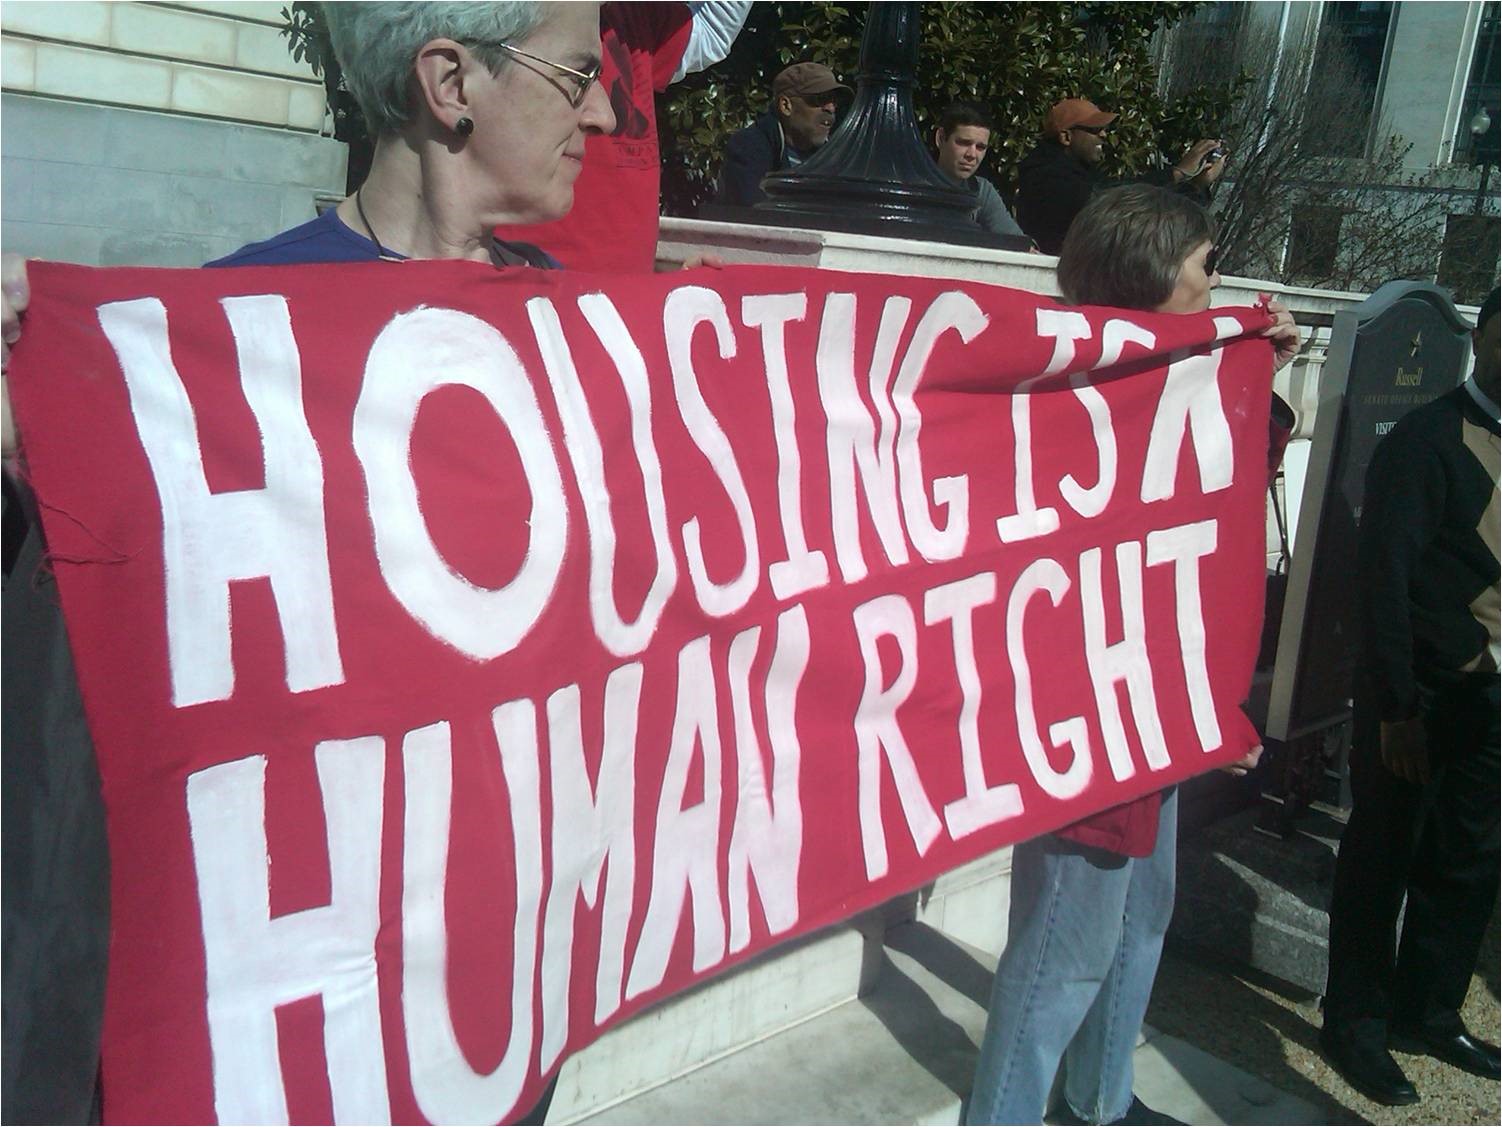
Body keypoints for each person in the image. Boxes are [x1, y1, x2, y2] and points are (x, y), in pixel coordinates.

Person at [0, 3, 614, 1120]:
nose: (606, 113)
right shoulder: (225, 337)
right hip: (312, 997)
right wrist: (33, 411)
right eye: (578, 75)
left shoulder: (591, 334)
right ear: (450, 84)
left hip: (502, 986)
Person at [965, 184, 1299, 1127]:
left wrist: (1253, 381)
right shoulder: (1074, 386)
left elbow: (1218, 498)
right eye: (1207, 263)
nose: (1218, 279)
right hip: (1088, 714)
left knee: (1140, 921)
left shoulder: (1180, 373)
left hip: (1156, 704)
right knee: (1061, 949)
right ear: (1155, 275)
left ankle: (1100, 1101)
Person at [1319, 287, 1501, 1105]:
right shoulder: (1427, 441)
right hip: (1421, 694)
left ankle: (1429, 1009)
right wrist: (1395, 706)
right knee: (1382, 855)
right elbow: (1382, 580)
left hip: (1491, 698)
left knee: (1468, 858)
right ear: (1484, 337)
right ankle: (1354, 1021)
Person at [498, 1, 752, 272]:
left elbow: (712, 31)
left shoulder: (628, 14)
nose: (605, 119)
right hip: (523, 281)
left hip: (623, 289)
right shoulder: (505, 13)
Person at [1013, 97, 1226, 256]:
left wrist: (1196, 185)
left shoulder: (1079, 173)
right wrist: (1176, 173)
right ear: (1066, 137)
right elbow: (1113, 204)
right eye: (1095, 130)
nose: (1104, 135)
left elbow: (1149, 214)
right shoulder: (1046, 175)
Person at [715, 60, 850, 206]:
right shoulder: (748, 147)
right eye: (820, 99)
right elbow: (754, 212)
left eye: (834, 101)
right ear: (786, 106)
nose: (830, 108)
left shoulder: (835, 157)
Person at [931, 101, 1027, 240]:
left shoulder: (982, 191)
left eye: (980, 147)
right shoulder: (912, 184)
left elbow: (1018, 242)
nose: (972, 154)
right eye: (963, 143)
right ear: (940, 138)